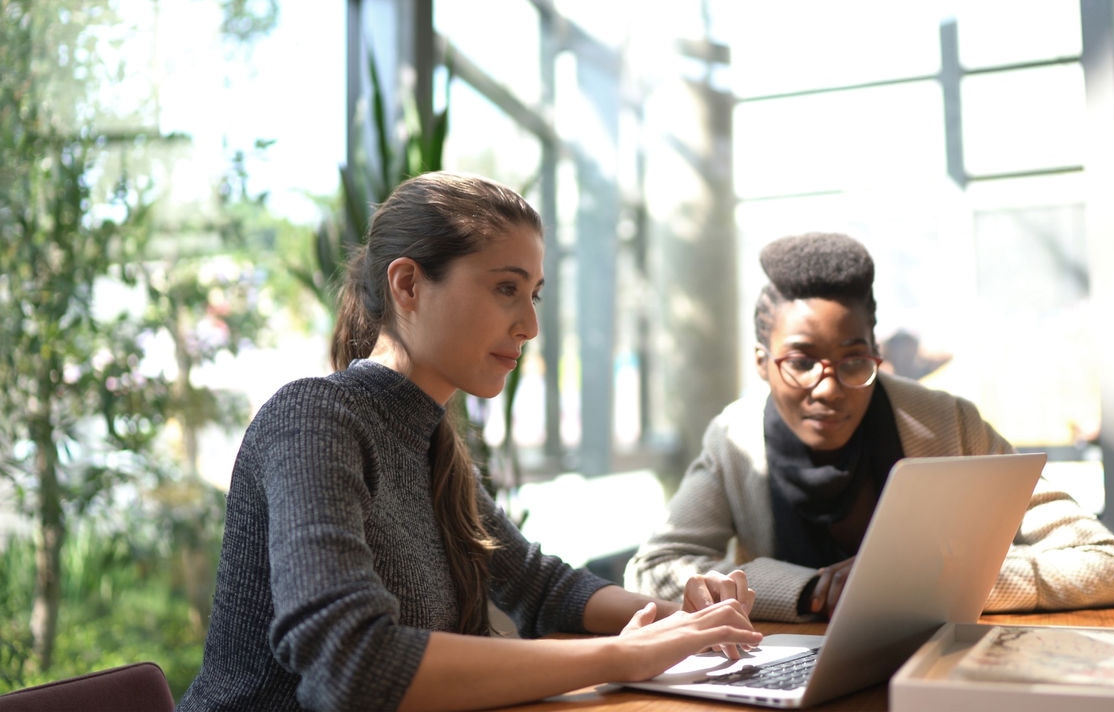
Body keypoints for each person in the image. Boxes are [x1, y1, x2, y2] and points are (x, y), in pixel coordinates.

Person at [176, 172, 761, 712]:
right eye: (506, 288)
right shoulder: (314, 420)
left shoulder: (435, 448)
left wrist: (681, 622)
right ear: (407, 284)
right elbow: (352, 663)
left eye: (533, 294)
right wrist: (621, 656)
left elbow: (540, 586)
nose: (529, 326)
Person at [625, 232, 1114, 622]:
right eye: (801, 362)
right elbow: (653, 570)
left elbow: (1107, 566)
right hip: (795, 675)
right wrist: (806, 590)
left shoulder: (947, 424)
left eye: (853, 361)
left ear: (877, 354)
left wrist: (935, 583)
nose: (828, 389)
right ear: (762, 363)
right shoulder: (735, 439)